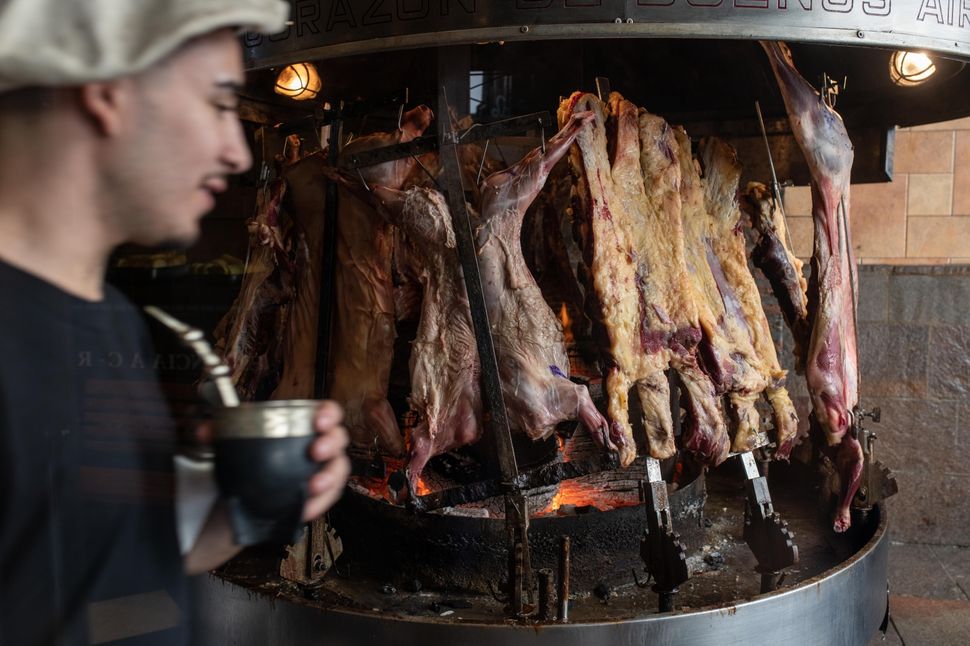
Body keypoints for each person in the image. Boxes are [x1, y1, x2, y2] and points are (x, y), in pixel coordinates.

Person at [0, 1, 351, 644]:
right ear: (108, 94)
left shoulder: (111, 323)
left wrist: (233, 514)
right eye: (217, 103)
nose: (234, 152)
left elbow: (91, 580)